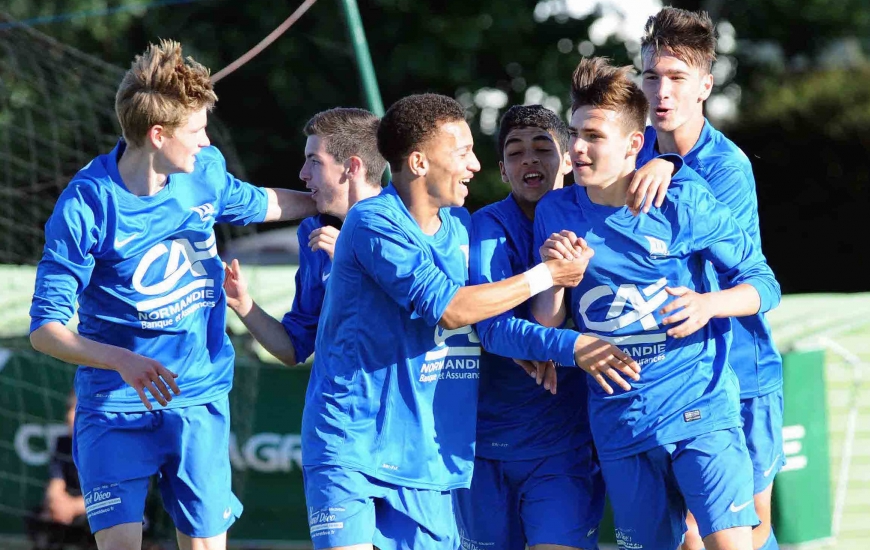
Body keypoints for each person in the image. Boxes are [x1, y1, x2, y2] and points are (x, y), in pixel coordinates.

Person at [28, 40, 317, 550]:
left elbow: (262, 203)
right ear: (157, 135)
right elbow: (46, 331)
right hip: (115, 404)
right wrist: (123, 361)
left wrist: (337, 202)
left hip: (198, 396)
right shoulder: (87, 206)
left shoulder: (203, 174)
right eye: (198, 131)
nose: (207, 143)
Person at [300, 93, 590, 550]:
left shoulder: (460, 227)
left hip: (429, 457)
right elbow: (451, 307)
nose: (475, 165)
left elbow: (477, 310)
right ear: (418, 162)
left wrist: (517, 349)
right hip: (352, 445)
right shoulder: (373, 221)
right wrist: (547, 275)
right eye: (463, 152)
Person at [532, 57, 781, 550]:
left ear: (633, 145)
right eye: (575, 133)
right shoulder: (555, 210)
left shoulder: (682, 200)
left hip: (699, 409)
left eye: (594, 137)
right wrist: (557, 278)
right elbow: (547, 318)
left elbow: (763, 283)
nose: (576, 149)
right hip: (620, 424)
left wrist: (710, 305)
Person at [454, 104, 671, 550]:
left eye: (542, 147)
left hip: (565, 445)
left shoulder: (605, 216)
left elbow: (637, 135)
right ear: (502, 169)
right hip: (486, 445)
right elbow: (493, 329)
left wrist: (666, 162)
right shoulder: (488, 225)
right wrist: (570, 345)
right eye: (515, 152)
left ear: (570, 158)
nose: (529, 159)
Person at [638, 8, 785, 550]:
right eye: (651, 76)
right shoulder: (633, 152)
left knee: (744, 531)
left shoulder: (727, 166)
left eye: (677, 78)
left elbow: (754, 281)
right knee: (685, 535)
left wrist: (672, 168)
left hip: (741, 376)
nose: (662, 91)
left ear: (705, 85)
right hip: (666, 378)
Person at [223, 107, 386, 365]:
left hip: (393, 402)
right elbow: (292, 348)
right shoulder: (314, 232)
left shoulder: (406, 225)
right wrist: (243, 303)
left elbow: (423, 316)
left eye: (315, 161)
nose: (303, 174)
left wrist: (351, 260)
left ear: (352, 167)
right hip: (329, 403)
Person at [25, 392, 94, 550]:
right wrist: (56, 504)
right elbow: (55, 483)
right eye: (69, 411)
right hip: (67, 507)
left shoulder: (106, 448)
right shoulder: (62, 443)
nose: (70, 417)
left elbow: (114, 495)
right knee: (40, 518)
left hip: (95, 507)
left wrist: (74, 507)